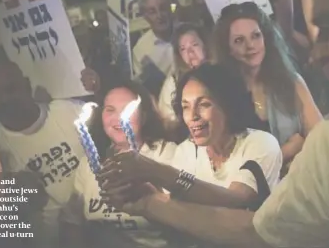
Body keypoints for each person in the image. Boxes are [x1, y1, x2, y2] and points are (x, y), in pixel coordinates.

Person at [98, 0, 329, 247]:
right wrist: (149, 203)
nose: (316, 55)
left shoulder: (284, 116)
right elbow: (258, 231)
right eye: (188, 106)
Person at [100, 64, 282, 212]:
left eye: (203, 104)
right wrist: (147, 194)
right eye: (185, 106)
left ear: (228, 106)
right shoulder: (187, 152)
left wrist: (155, 170)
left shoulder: (260, 143)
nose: (193, 115)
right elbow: (179, 214)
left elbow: (236, 200)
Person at [0, 58, 86, 247]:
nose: (5, 99)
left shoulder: (71, 111)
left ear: (27, 85)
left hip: (105, 229)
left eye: (11, 89)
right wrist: (14, 199)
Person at [60, 79, 178, 248]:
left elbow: (186, 221)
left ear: (144, 116)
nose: (118, 118)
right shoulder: (88, 165)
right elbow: (71, 223)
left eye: (127, 110)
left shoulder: (166, 154)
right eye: (110, 110)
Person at [214, 1, 322, 169]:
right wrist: (288, 150)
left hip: (301, 177)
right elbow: (237, 166)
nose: (250, 45)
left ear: (265, 38)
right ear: (228, 49)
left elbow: (320, 137)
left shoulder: (292, 81)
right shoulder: (223, 96)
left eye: (256, 35)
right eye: (239, 40)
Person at [158, 23, 211, 120]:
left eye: (194, 45)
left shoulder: (221, 72)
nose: (190, 52)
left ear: (205, 46)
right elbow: (168, 121)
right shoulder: (173, 83)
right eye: (183, 49)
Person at [132, 0, 177, 98]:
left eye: (163, 9)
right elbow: (145, 90)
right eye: (152, 12)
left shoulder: (189, 33)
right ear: (145, 16)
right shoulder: (141, 49)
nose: (159, 15)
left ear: (170, 10)